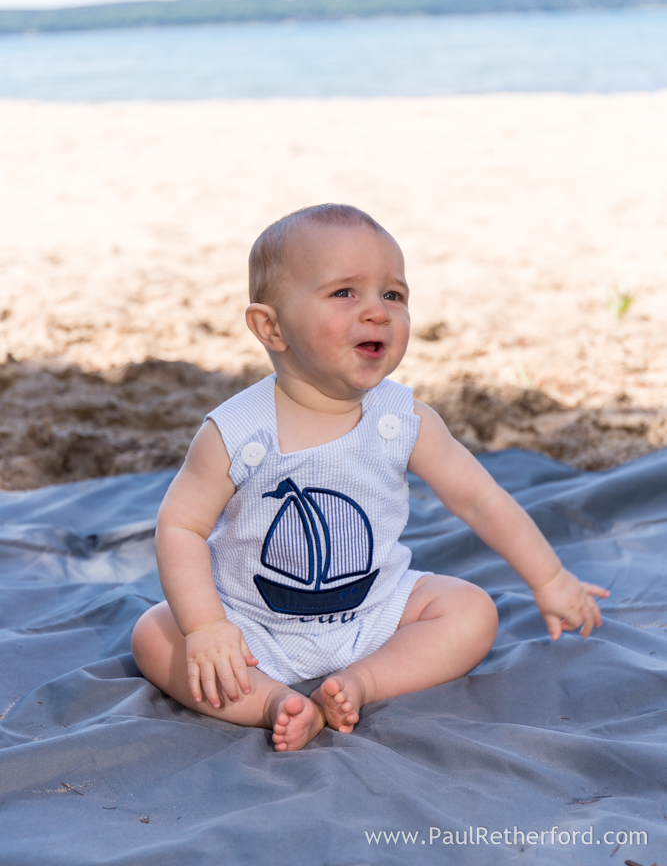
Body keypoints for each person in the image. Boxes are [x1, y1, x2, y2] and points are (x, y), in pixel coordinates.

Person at [131, 204, 608, 752]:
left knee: (472, 610)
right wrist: (207, 627)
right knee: (156, 632)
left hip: (374, 611)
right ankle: (271, 703)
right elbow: (181, 527)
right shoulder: (237, 431)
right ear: (271, 326)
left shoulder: (401, 421)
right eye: (344, 294)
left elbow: (479, 499)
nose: (377, 312)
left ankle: (361, 683)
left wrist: (549, 580)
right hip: (251, 625)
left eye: (393, 295)